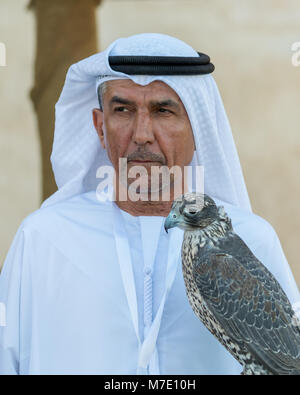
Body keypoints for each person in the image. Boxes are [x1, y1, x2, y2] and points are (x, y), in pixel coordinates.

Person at [0, 33, 299, 375]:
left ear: (198, 126)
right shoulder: (44, 241)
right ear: (100, 127)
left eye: (163, 111)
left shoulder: (253, 240)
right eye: (123, 109)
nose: (142, 134)